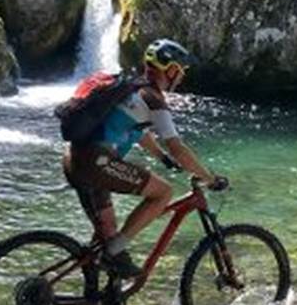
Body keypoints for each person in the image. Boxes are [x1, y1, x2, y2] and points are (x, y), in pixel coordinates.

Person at [63, 37, 227, 280]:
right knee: (163, 193)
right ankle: (114, 253)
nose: (182, 77)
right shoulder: (152, 98)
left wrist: (162, 157)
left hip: (73, 157)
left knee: (106, 237)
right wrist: (210, 179)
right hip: (95, 163)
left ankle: (94, 298)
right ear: (170, 70)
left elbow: (137, 132)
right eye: (180, 71)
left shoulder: (130, 87)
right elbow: (178, 148)